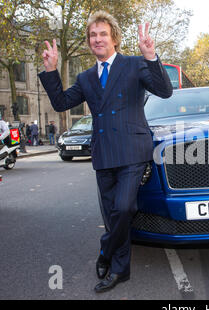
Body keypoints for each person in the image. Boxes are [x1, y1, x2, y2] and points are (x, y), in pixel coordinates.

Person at [38, 10, 172, 293]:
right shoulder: (86, 77)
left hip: (133, 151)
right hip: (103, 155)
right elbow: (62, 103)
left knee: (124, 208)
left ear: (114, 39)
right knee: (113, 214)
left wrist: (151, 56)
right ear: (89, 42)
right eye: (92, 35)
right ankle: (120, 270)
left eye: (102, 34)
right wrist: (51, 71)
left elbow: (165, 91)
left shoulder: (135, 64)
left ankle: (105, 250)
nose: (97, 40)